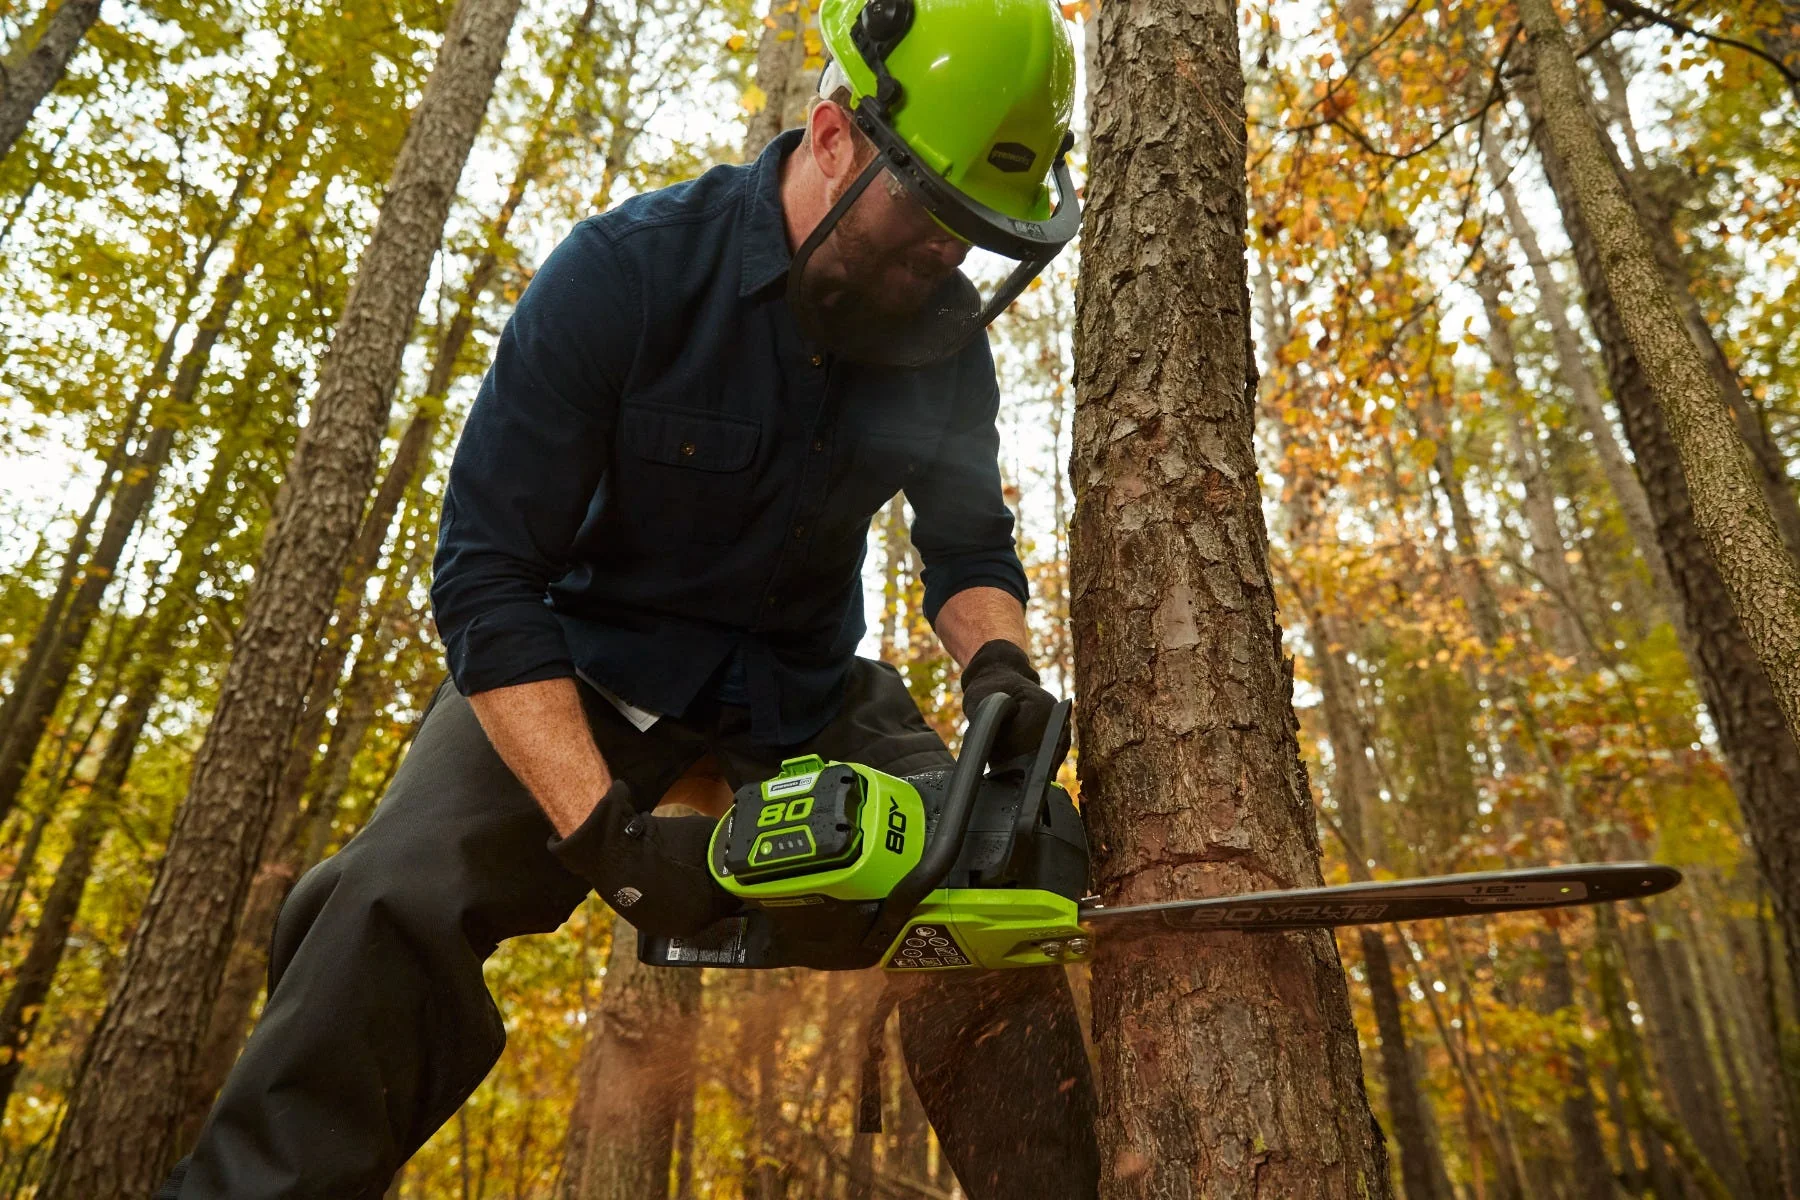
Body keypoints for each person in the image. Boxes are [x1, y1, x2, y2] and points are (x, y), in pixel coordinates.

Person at [158, 0, 1097, 1194]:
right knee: (384, 906)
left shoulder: (943, 342)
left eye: (974, 230)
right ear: (832, 136)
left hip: (802, 689)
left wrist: (1000, 674)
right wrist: (605, 831)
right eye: (930, 213)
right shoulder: (628, 272)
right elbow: (486, 573)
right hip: (584, 667)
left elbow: (969, 550)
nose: (945, 256)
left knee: (990, 890)